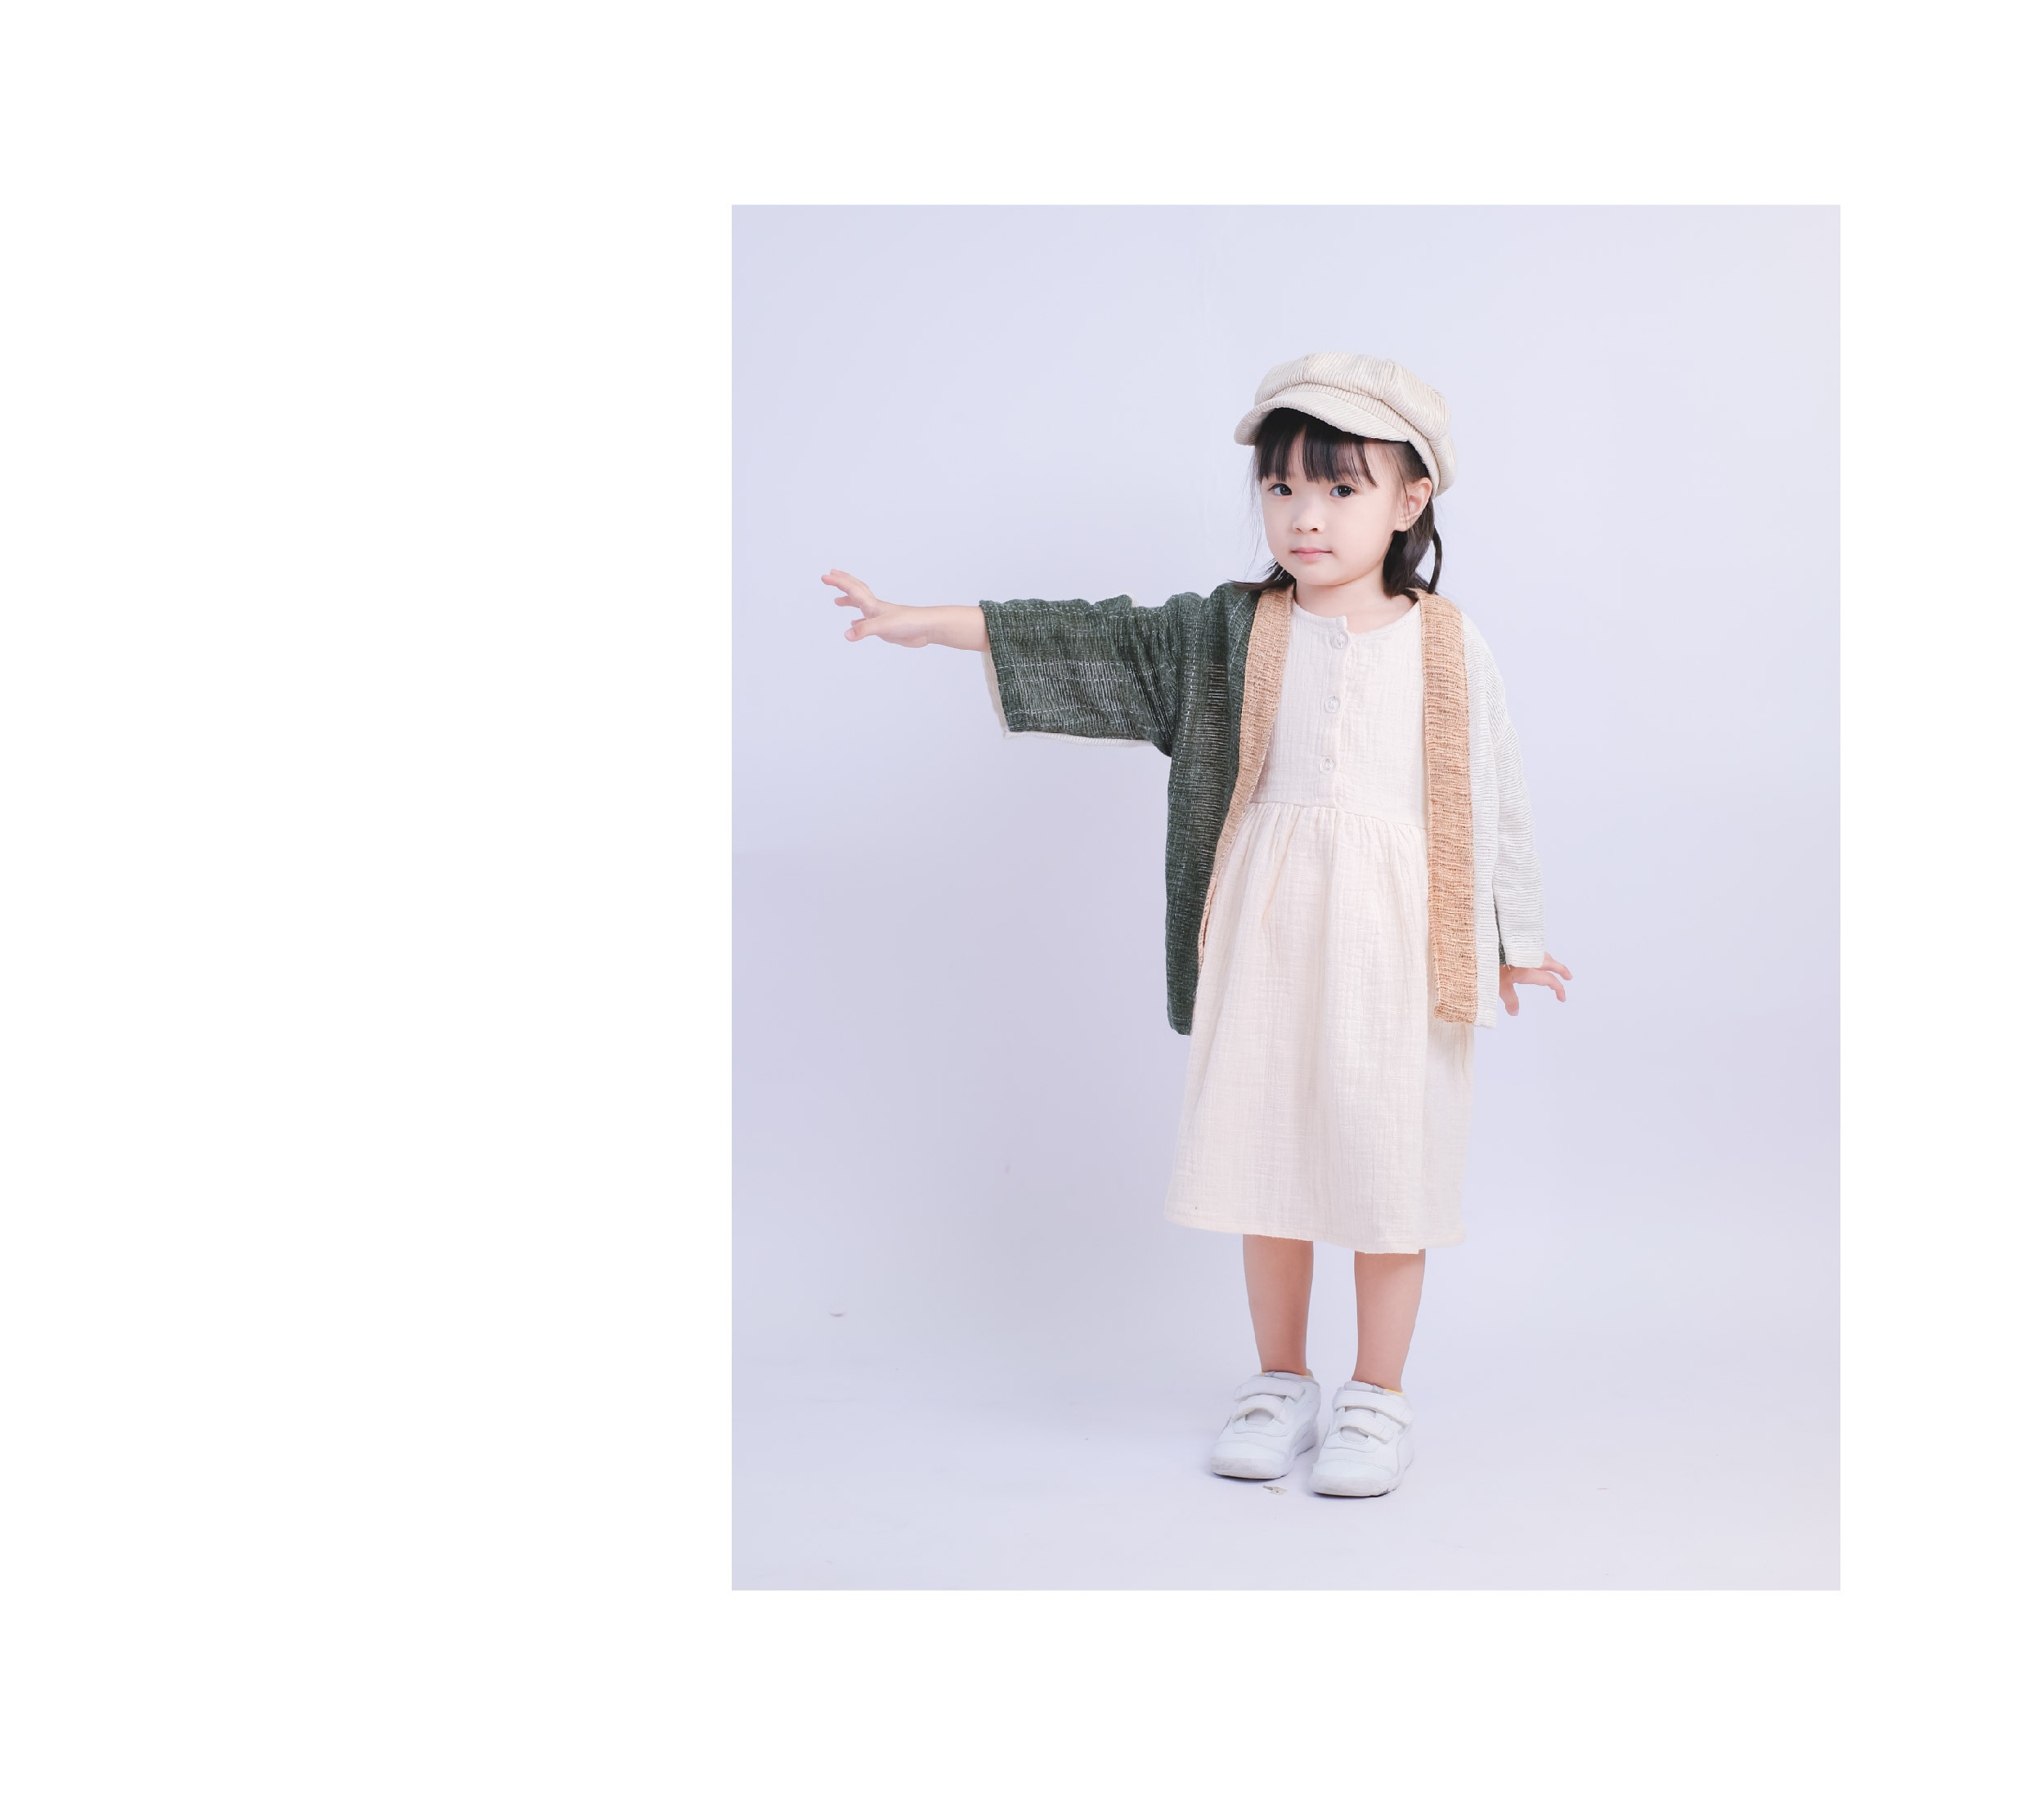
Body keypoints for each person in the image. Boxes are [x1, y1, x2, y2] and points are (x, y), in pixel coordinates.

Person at [819, 351, 1569, 1498]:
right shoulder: (1228, 632)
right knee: (1269, 1153)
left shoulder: (1448, 643)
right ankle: (1280, 1382)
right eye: (1282, 487)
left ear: (1411, 499)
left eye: (1342, 488)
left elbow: (1494, 790)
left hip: (1395, 941)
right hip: (1265, 929)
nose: (1305, 515)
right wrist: (931, 622)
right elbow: (1098, 638)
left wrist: (1514, 937)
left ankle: (1377, 1395)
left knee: (1387, 1159)